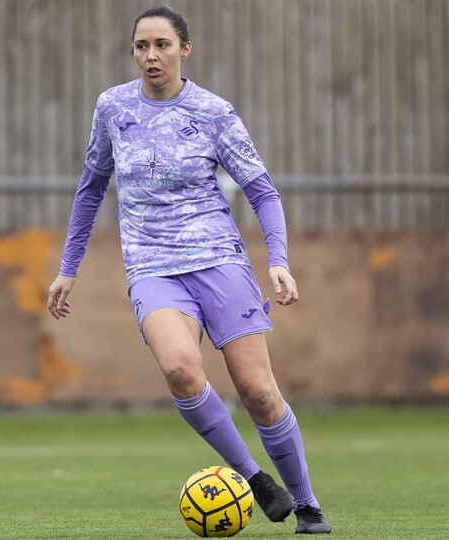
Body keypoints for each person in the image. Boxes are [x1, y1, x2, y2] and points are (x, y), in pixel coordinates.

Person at [46, 5, 330, 535]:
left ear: (184, 49)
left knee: (258, 391)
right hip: (152, 265)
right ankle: (252, 477)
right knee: (179, 368)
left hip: (219, 260)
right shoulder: (112, 107)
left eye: (162, 45)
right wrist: (69, 269)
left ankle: (307, 502)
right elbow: (90, 189)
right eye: (141, 46)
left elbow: (262, 190)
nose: (150, 56)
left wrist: (279, 261)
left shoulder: (213, 112)